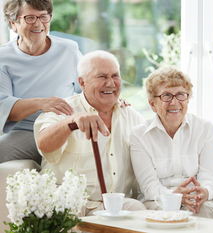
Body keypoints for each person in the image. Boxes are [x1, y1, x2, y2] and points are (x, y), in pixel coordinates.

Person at [34, 50, 146, 215]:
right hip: (68, 202)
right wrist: (71, 121)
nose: (110, 83)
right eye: (101, 77)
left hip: (112, 205)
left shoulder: (132, 116)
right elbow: (44, 143)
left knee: (138, 210)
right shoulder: (62, 109)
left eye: (115, 75)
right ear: (82, 82)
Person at [130, 66, 213, 219]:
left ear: (187, 99)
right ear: (152, 104)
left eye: (181, 95)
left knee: (206, 210)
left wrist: (204, 192)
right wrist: (175, 196)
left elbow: (210, 178)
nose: (175, 102)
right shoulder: (139, 135)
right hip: (158, 201)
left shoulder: (204, 128)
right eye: (166, 96)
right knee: (162, 214)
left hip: (197, 200)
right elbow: (150, 188)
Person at [0, 0, 82, 164]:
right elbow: (4, 106)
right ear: (13, 23)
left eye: (44, 17)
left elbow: (87, 86)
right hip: (26, 131)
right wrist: (41, 103)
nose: (38, 24)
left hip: (61, 126)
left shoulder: (69, 49)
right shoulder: (3, 58)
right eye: (30, 18)